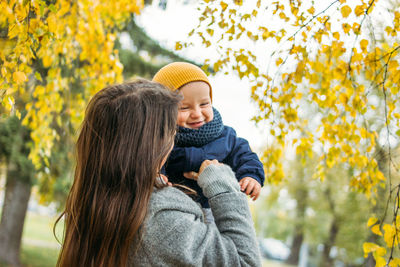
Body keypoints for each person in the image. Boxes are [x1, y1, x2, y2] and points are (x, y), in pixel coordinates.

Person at [55, 79, 261, 267]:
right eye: (171, 133)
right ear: (149, 145)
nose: (173, 142)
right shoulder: (161, 217)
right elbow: (245, 263)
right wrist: (222, 184)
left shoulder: (98, 202)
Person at [153, 62, 265, 218]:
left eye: (204, 104)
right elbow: (150, 160)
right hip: (175, 210)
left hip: (213, 211)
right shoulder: (159, 141)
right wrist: (158, 175)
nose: (197, 114)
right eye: (184, 108)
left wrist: (251, 176)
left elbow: (246, 156)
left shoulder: (225, 136)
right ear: (163, 111)